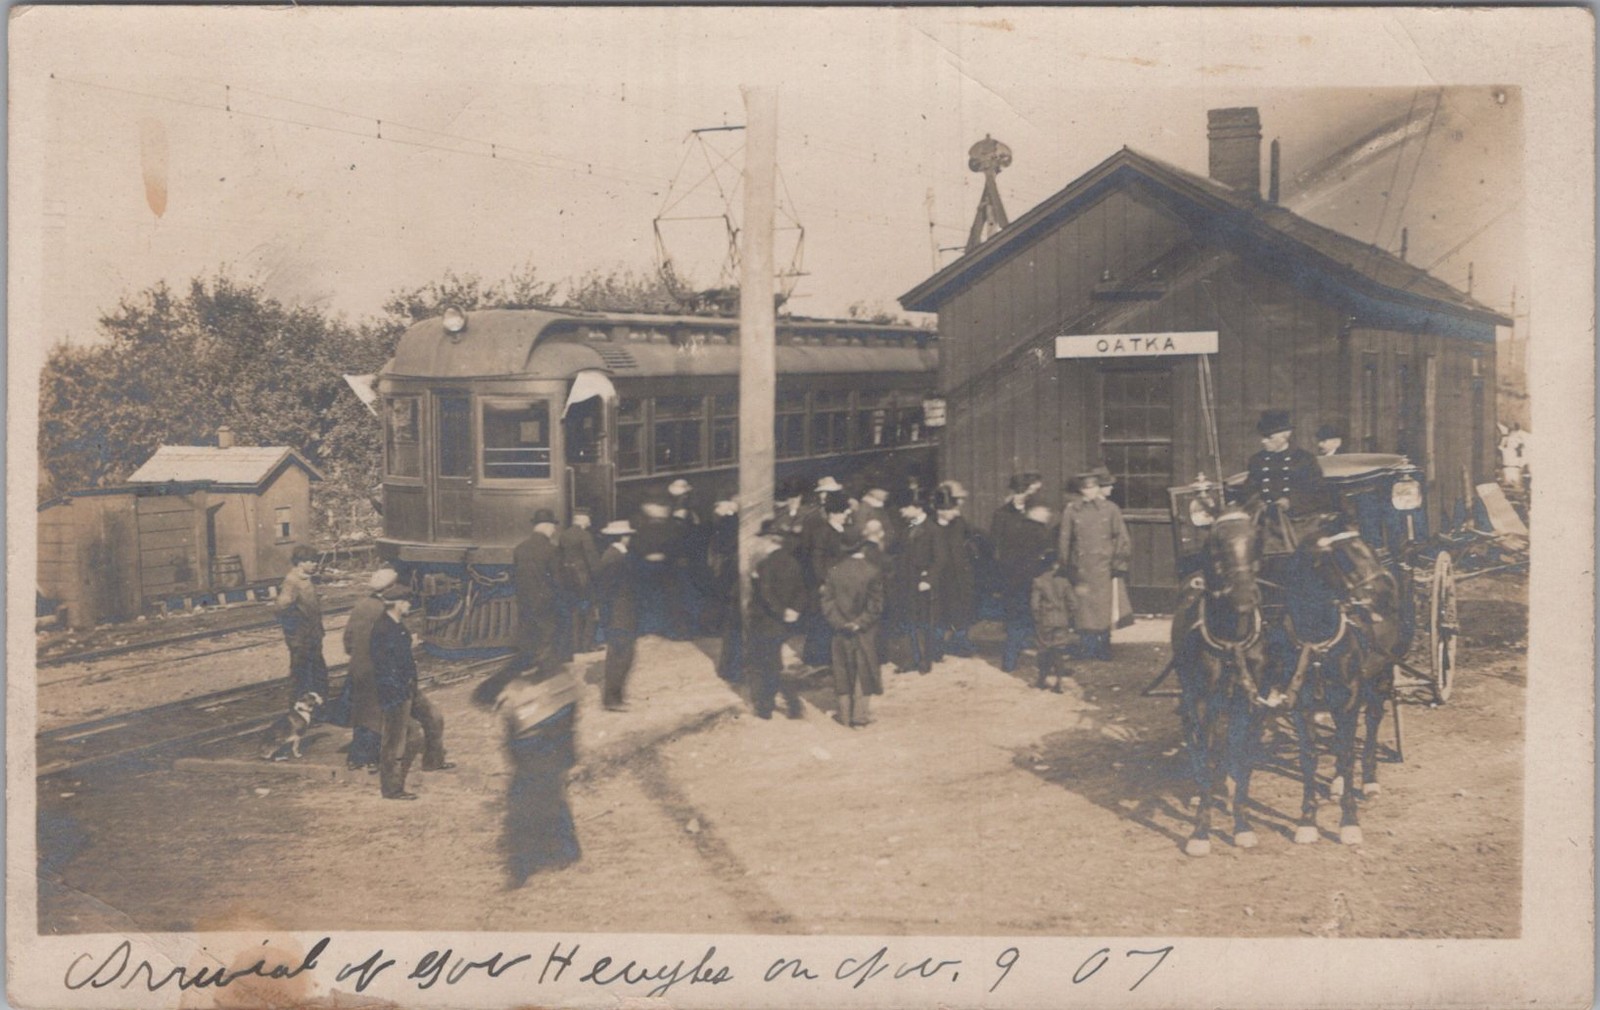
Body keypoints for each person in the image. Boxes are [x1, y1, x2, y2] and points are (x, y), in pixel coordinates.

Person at [372, 582, 453, 800]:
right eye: (408, 602)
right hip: (395, 691)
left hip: (409, 686)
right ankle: (391, 789)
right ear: (398, 604)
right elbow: (382, 665)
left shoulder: (397, 624)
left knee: (434, 718)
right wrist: (397, 689)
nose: (410, 606)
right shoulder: (382, 629)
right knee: (394, 742)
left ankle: (433, 762)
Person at [1058, 470, 1132, 661]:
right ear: (1081, 490)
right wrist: (1065, 564)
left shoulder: (1110, 509)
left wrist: (1118, 562)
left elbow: (1121, 537)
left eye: (1093, 488)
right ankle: (1086, 647)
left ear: (1098, 488)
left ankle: (1104, 646)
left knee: (1103, 608)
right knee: (1083, 609)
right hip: (1081, 568)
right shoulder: (1071, 510)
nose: (1089, 492)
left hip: (1104, 567)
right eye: (1085, 488)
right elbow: (1065, 539)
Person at [1244, 409, 1337, 559]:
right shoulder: (1257, 460)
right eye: (1263, 437)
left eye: (1268, 437)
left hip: (1298, 522)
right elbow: (1248, 490)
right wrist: (1256, 502)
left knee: (1305, 555)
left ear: (1285, 436)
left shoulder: (1304, 460)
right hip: (1264, 522)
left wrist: (1291, 502)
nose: (1263, 441)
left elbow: (1320, 494)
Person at [820, 530, 885, 728]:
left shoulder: (833, 571)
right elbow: (876, 605)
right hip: (864, 631)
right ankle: (860, 716)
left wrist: (840, 622)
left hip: (839, 630)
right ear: (863, 547)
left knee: (842, 669)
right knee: (863, 669)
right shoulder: (872, 571)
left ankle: (845, 715)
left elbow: (827, 602)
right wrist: (859, 623)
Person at [745, 519, 808, 719]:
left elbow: (766, 595)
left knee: (765, 664)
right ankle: (789, 704)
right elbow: (801, 590)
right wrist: (793, 610)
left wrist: (780, 611)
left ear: (769, 541)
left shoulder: (765, 564)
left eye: (762, 540)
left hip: (765, 620)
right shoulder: (792, 561)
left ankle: (768, 707)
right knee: (773, 661)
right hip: (783, 622)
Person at [992, 473, 1049, 672]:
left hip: (1034, 573)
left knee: (1038, 615)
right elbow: (996, 546)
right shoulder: (1002, 515)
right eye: (1019, 493)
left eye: (1026, 493)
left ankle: (1044, 658)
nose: (1022, 497)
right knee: (1016, 615)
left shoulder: (1035, 514)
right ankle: (1011, 658)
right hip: (1013, 574)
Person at [339, 567, 394, 771]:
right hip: (377, 670)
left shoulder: (361, 605)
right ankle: (372, 759)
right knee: (377, 714)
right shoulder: (386, 610)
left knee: (360, 713)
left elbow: (348, 638)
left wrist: (356, 656)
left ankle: (355, 758)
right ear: (388, 589)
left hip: (358, 667)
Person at [800, 490, 853, 669]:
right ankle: (817, 659)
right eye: (843, 511)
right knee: (822, 620)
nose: (846, 514)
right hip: (827, 583)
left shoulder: (843, 530)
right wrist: (822, 581)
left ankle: (834, 657)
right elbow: (817, 559)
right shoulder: (822, 532)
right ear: (833, 513)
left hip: (842, 583)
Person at [274, 544, 329, 706]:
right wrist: (295, 631)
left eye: (315, 561)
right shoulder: (292, 582)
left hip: (312, 635)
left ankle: (318, 706)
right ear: (300, 563)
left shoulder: (305, 579)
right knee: (301, 675)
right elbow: (281, 607)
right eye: (310, 561)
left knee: (317, 672)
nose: (315, 564)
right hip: (302, 639)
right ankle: (298, 709)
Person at [593, 520, 638, 712]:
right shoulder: (614, 557)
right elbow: (607, 591)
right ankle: (612, 700)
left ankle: (616, 697)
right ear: (623, 537)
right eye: (628, 535)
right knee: (620, 655)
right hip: (619, 614)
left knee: (623, 655)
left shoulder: (616, 555)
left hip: (621, 613)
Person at [513, 509, 564, 678]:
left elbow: (516, 577)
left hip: (525, 602)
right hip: (546, 602)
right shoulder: (552, 550)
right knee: (547, 639)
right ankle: (544, 676)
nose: (554, 530)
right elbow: (557, 581)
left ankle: (526, 671)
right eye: (553, 527)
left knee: (528, 637)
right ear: (548, 527)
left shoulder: (519, 549)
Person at [891, 497, 939, 673]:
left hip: (922, 583)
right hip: (906, 582)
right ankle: (911, 659)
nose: (902, 511)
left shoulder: (933, 529)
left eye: (906, 506)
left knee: (924, 623)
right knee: (908, 621)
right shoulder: (907, 528)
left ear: (918, 508)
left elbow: (940, 559)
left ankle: (925, 661)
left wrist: (928, 580)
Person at [929, 488, 977, 659]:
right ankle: (936, 647)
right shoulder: (929, 526)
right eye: (952, 509)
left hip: (960, 576)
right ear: (940, 510)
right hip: (940, 578)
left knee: (962, 610)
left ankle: (960, 643)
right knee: (939, 613)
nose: (956, 512)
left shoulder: (960, 523)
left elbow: (973, 537)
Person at [1030, 537, 1075, 692]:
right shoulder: (1064, 582)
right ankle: (1059, 683)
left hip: (1045, 620)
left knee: (1043, 650)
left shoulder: (1038, 582)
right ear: (1056, 564)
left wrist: (1036, 618)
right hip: (1061, 620)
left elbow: (1035, 604)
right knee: (1059, 651)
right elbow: (1073, 603)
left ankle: (1041, 680)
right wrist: (1070, 617)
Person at [706, 500, 743, 681]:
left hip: (728, 587)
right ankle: (734, 670)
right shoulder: (733, 526)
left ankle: (728, 669)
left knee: (731, 631)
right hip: (735, 589)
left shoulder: (721, 530)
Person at [557, 508, 601, 658]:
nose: (590, 521)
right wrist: (599, 578)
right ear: (581, 519)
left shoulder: (564, 535)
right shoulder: (585, 535)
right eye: (588, 518)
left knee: (574, 611)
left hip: (569, 579)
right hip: (584, 579)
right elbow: (592, 560)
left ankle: (574, 645)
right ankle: (587, 645)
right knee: (591, 611)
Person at [631, 496, 677, 637]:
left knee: (651, 597)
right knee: (661, 597)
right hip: (661, 566)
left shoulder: (643, 530)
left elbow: (638, 548)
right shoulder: (667, 530)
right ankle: (659, 626)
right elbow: (672, 547)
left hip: (648, 566)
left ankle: (650, 626)